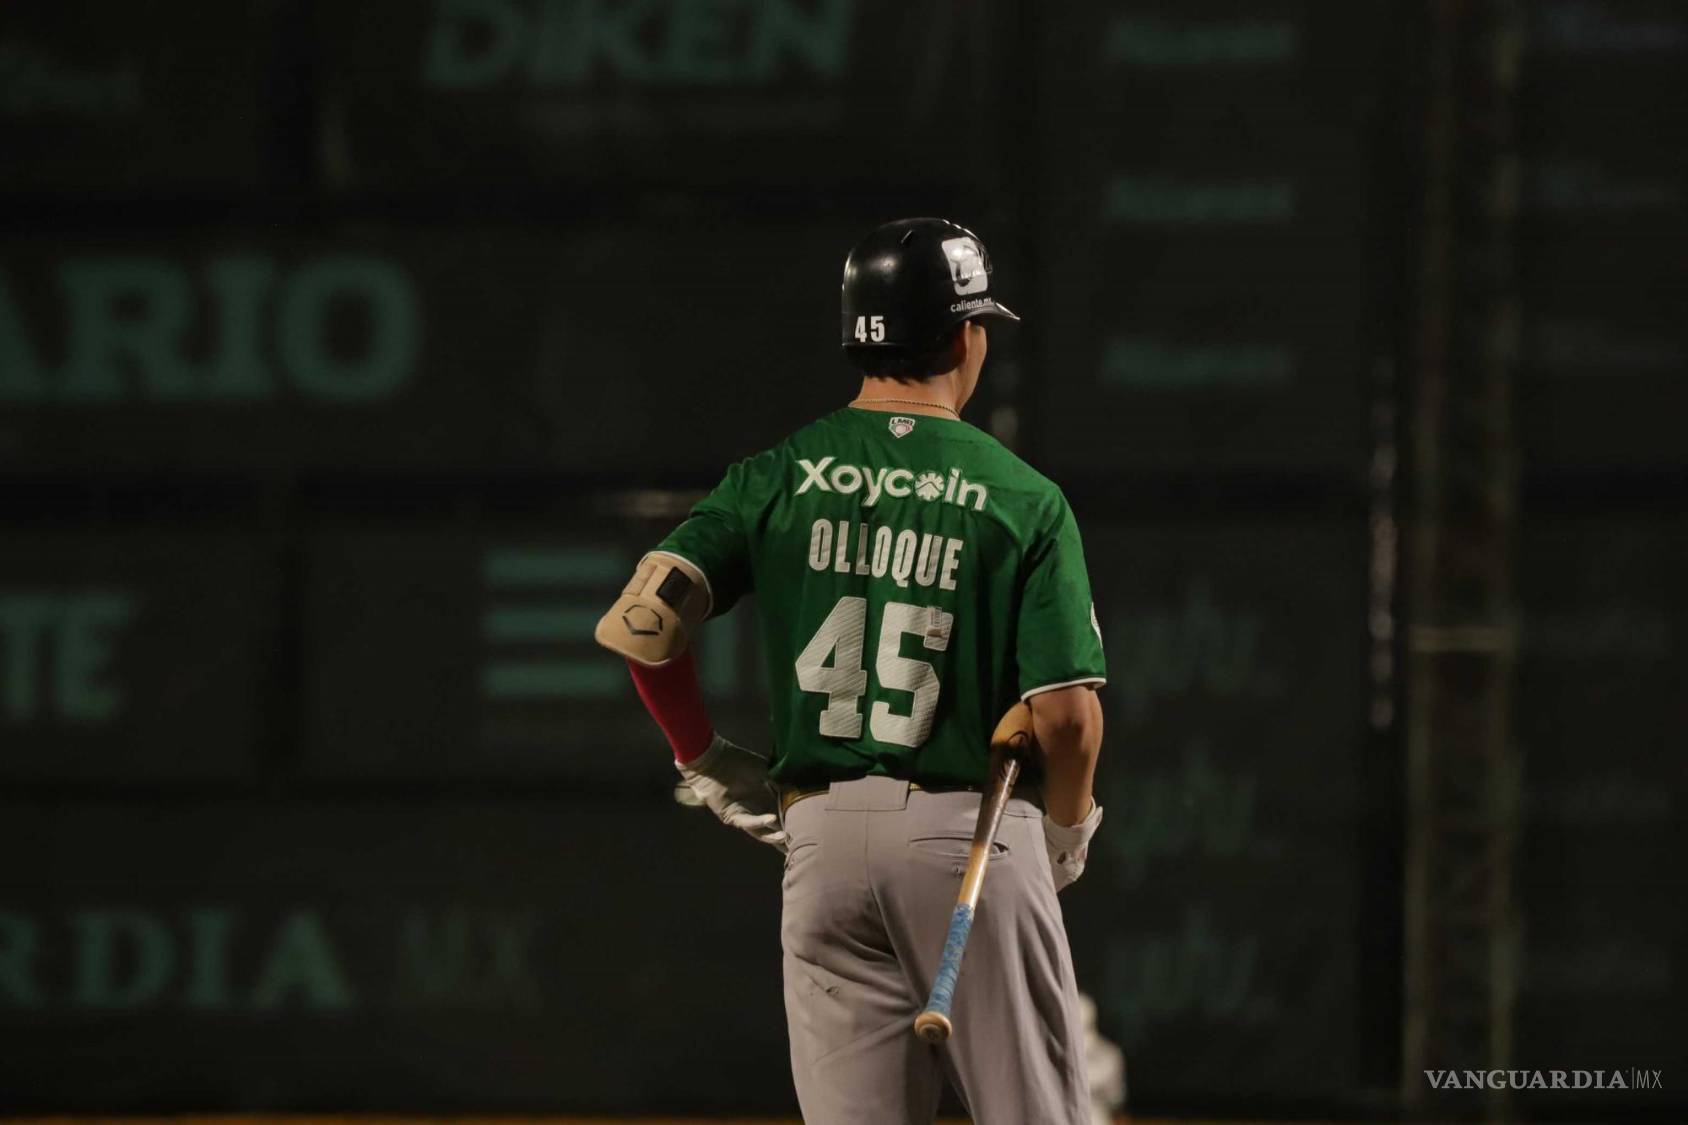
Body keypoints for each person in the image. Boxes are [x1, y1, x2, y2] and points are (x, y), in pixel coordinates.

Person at [596, 217, 1107, 1125]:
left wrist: (704, 756)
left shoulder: (778, 475)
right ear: (962, 334)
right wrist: (1066, 834)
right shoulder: (1024, 498)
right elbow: (1066, 719)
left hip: (821, 849)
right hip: (970, 843)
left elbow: (642, 625)